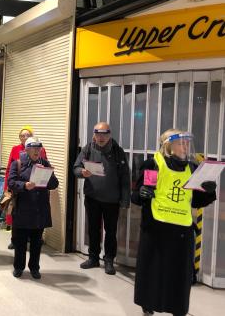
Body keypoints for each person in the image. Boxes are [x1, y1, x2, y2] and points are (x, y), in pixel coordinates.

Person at [131, 129, 216, 316]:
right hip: (156, 228)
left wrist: (209, 191)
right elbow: (138, 195)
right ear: (169, 146)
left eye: (187, 143)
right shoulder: (153, 164)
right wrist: (142, 194)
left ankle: (177, 309)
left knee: (180, 274)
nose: (185, 146)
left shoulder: (192, 169)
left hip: (182, 231)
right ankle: (148, 304)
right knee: (152, 270)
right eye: (181, 143)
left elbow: (197, 201)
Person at [73, 122, 130, 275]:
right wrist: (81, 172)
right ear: (94, 135)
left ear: (109, 135)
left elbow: (125, 177)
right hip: (92, 197)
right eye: (98, 134)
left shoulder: (118, 151)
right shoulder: (88, 148)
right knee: (93, 229)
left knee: (110, 231)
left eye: (104, 134)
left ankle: (109, 260)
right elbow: (76, 167)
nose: (101, 137)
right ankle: (93, 258)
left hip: (112, 200)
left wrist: (125, 200)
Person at [7, 137, 58, 279]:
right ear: (27, 149)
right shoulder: (17, 163)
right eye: (34, 148)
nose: (37, 151)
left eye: (39, 148)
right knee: (20, 242)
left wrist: (47, 175)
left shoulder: (44, 163)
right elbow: (11, 182)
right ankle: (18, 267)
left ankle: (34, 267)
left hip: (39, 209)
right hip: (22, 209)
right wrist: (24, 185)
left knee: (36, 243)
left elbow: (54, 184)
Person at [3, 126, 47, 249]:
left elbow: (47, 171)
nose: (24, 137)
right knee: (15, 215)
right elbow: (9, 170)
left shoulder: (40, 150)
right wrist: (7, 187)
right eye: (22, 135)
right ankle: (15, 240)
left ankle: (32, 241)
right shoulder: (15, 149)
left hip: (36, 192)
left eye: (27, 135)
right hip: (19, 190)